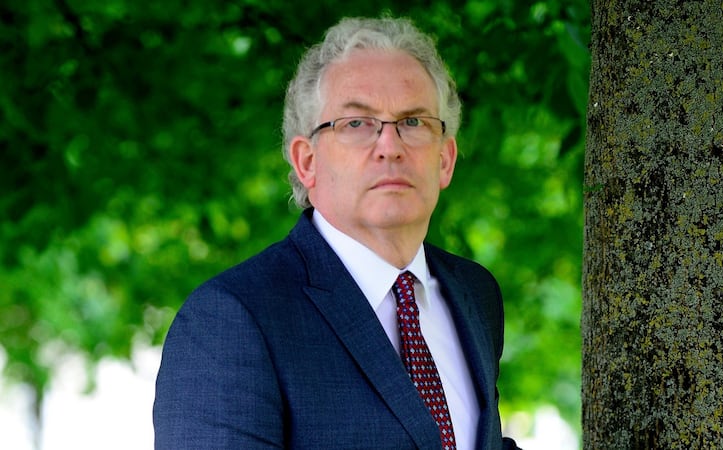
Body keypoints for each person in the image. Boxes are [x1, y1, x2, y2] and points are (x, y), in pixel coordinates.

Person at [153, 15, 520, 450]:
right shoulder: (231, 319)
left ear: (446, 158)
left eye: (414, 122)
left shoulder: (475, 294)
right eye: (356, 124)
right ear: (306, 161)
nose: (390, 145)